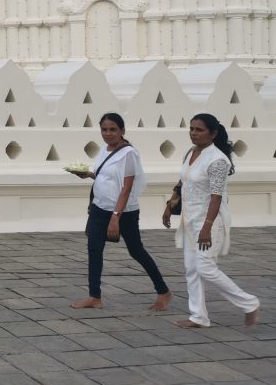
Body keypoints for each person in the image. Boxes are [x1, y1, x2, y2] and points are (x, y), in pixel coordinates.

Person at [163, 113, 261, 328]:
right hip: (190, 217)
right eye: (191, 129)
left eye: (199, 130)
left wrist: (207, 227)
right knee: (191, 267)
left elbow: (216, 196)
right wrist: (170, 205)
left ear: (213, 133)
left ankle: (249, 303)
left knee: (205, 267)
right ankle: (198, 317)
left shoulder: (218, 160)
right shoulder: (191, 153)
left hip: (211, 220)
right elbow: (183, 180)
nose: (193, 133)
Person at [69, 113, 171, 311]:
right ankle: (94, 296)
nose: (108, 134)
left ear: (122, 131)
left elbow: (126, 187)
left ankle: (163, 291)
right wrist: (88, 174)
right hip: (100, 207)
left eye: (113, 129)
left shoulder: (129, 154)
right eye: (104, 129)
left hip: (124, 211)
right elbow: (105, 177)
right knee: (94, 249)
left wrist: (116, 217)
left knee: (136, 250)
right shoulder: (103, 150)